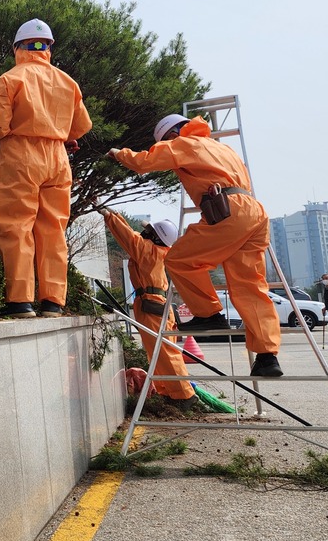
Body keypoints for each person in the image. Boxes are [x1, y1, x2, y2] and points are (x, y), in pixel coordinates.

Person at [107, 113, 283, 377]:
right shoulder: (222, 148)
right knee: (250, 285)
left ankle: (209, 313)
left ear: (173, 134)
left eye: (166, 141)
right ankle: (268, 356)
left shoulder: (184, 144)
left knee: (179, 260)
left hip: (227, 210)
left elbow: (144, 162)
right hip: (254, 212)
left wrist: (118, 153)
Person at [0, 18, 92, 318]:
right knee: (53, 230)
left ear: (18, 48)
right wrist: (60, 136)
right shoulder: (68, 82)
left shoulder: (10, 79)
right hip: (58, 159)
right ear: (48, 48)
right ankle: (53, 302)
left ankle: (20, 302)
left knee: (17, 226)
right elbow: (82, 125)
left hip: (21, 155)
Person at [102, 209, 198, 408]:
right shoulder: (159, 250)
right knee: (159, 353)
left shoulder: (148, 250)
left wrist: (108, 215)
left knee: (163, 353)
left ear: (155, 237)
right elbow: (132, 234)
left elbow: (127, 236)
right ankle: (170, 392)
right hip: (158, 305)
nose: (143, 232)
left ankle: (184, 395)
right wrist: (114, 214)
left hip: (152, 305)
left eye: (149, 231)